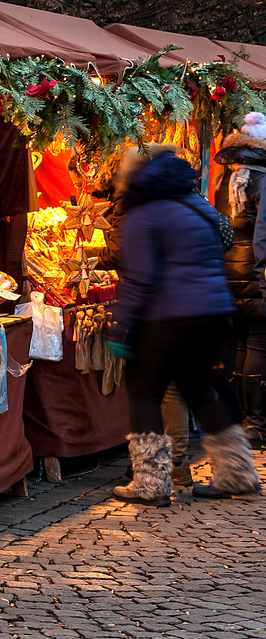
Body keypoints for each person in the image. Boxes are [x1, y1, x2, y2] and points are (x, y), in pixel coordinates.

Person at [109, 146, 260, 502]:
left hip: (166, 317)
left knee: (145, 392)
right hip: (211, 313)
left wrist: (122, 329)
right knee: (198, 389)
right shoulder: (198, 206)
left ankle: (150, 483)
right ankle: (238, 473)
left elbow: (140, 279)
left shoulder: (144, 214)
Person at [219, 110, 266, 443]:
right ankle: (256, 425)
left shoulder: (226, 178)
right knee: (259, 345)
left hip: (229, 270)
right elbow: (263, 236)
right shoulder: (262, 180)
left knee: (242, 343)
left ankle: (239, 420)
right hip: (255, 271)